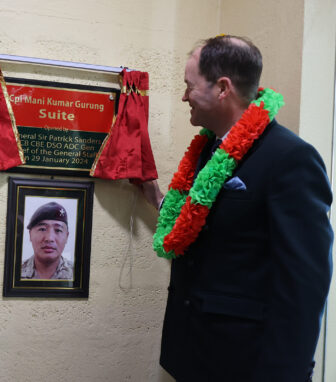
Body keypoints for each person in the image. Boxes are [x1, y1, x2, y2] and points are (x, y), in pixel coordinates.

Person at [138, 36, 333, 381]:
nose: (184, 97)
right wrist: (157, 198)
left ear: (223, 88)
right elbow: (211, 227)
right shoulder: (207, 149)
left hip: (245, 363)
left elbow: (303, 284)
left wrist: (287, 374)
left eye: (189, 86)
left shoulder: (289, 158)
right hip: (193, 355)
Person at [21, 201, 73, 280]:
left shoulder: (79, 274)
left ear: (67, 236)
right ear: (30, 234)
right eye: (42, 229)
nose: (49, 238)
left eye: (58, 230)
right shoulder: (14, 271)